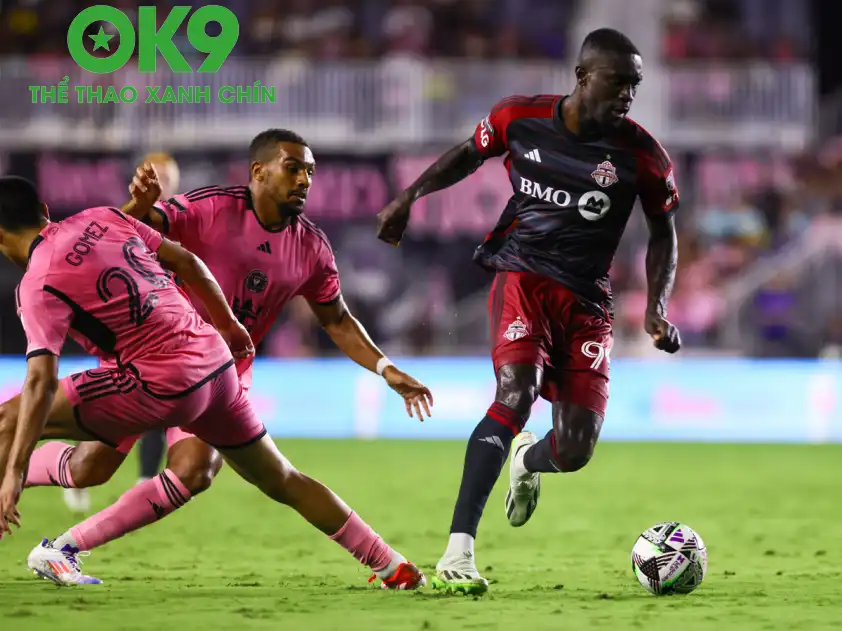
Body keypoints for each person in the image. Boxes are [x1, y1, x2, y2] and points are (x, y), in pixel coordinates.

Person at [13, 128, 434, 564]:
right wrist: (140, 203)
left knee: (197, 469)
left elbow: (337, 320)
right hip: (155, 350)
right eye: (293, 169)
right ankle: (24, 487)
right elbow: (121, 232)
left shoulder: (311, 248)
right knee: (89, 468)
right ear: (259, 172)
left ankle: (63, 547)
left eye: (310, 172)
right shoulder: (210, 208)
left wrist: (385, 368)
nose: (304, 180)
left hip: (223, 369)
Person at [376, 28, 682, 595]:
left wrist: (656, 308)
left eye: (634, 86)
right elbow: (467, 154)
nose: (627, 95)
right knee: (515, 395)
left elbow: (664, 232)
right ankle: (458, 551)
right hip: (524, 276)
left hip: (587, 301)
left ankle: (527, 463)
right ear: (583, 76)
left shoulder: (644, 155)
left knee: (575, 449)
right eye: (618, 82)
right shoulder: (519, 117)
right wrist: (408, 197)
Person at [62, 152, 182, 514]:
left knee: (163, 405)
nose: (161, 184)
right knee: (111, 414)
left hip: (165, 334)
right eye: (156, 176)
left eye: (167, 178)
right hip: (125, 335)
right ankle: (72, 469)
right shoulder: (118, 222)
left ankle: (145, 480)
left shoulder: (183, 225)